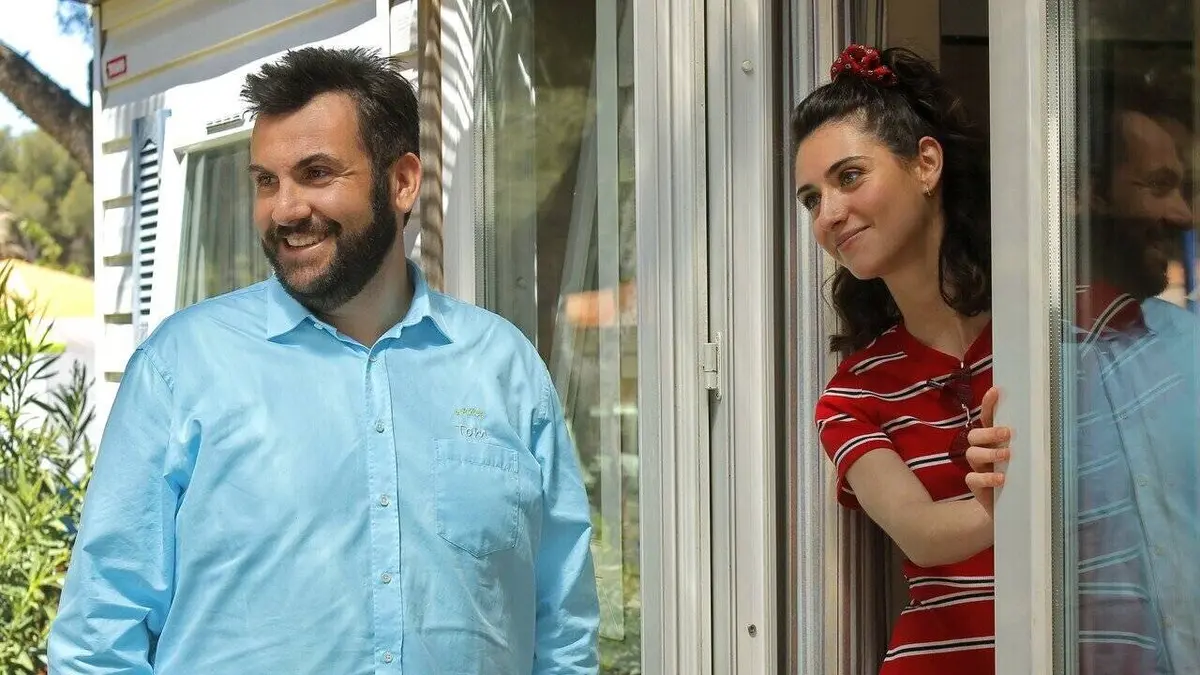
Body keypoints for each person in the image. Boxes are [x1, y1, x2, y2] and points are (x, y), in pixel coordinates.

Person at [48, 46, 600, 674]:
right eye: (266, 181)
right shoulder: (181, 368)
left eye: (316, 173)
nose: (284, 209)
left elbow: (563, 628)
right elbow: (99, 637)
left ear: (402, 182)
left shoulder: (504, 368)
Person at [798, 45, 1010, 674]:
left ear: (926, 163)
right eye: (810, 199)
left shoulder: (1053, 330)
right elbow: (921, 533)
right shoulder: (852, 395)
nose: (829, 215)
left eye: (848, 177)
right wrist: (1017, 494)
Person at [1067, 70, 1200, 674]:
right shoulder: (1025, 368)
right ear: (1088, 192)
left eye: (1184, 189)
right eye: (1159, 186)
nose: (1184, 214)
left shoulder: (1190, 350)